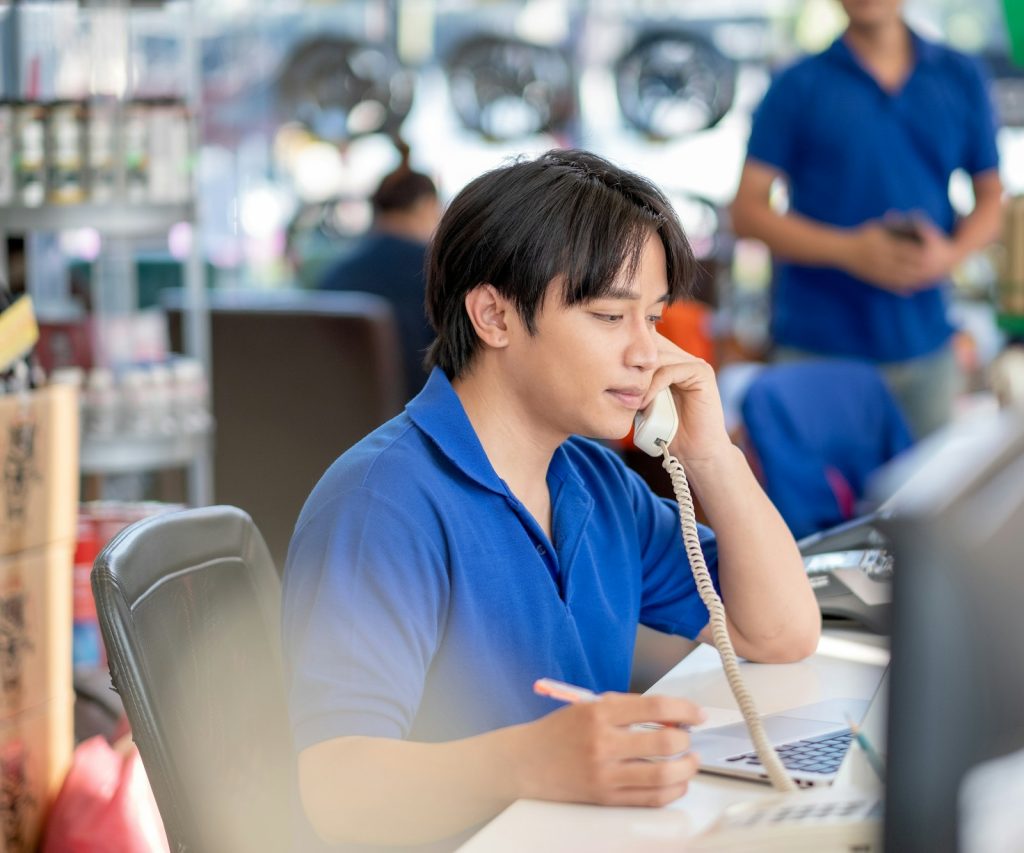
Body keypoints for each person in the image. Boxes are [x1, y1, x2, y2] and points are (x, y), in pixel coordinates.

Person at [283, 149, 821, 849]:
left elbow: (779, 632)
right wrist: (531, 761)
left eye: (653, 318)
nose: (646, 353)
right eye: (609, 316)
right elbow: (336, 789)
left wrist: (711, 452)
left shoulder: (596, 482)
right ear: (494, 316)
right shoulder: (381, 503)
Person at [729, 0, 1004, 438]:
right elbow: (747, 212)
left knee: (927, 503)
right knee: (818, 506)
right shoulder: (797, 84)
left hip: (926, 346)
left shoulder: (960, 76)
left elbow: (992, 199)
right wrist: (850, 251)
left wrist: (948, 256)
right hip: (817, 348)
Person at [319, 142, 443, 401]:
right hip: (418, 420)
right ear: (427, 206)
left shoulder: (334, 274)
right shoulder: (440, 272)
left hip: (342, 415)